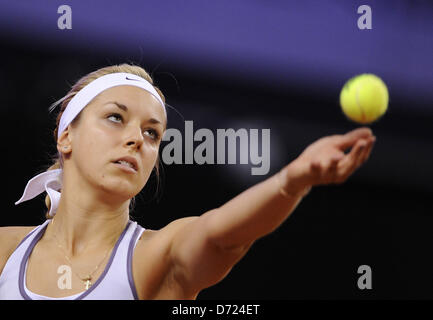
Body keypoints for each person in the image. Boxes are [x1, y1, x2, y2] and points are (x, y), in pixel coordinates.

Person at [0, 64, 376, 300]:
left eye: (152, 133)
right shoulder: (5, 251)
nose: (136, 139)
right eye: (116, 117)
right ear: (66, 134)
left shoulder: (154, 256)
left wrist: (291, 181)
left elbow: (222, 235)